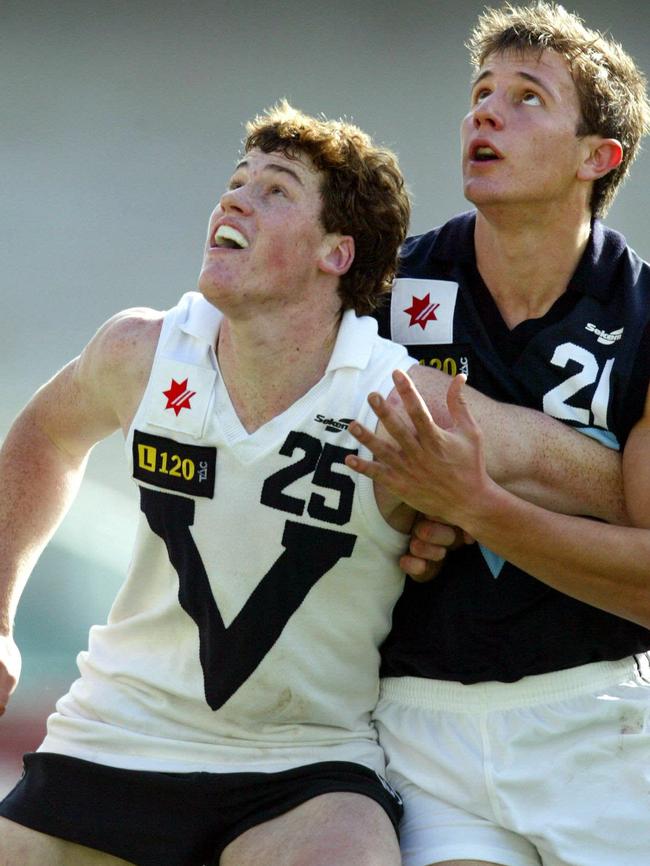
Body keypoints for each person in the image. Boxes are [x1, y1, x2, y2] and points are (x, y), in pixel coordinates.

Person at [0, 97, 629, 865]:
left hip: (300, 767)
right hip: (113, 737)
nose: (235, 197)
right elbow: (42, 438)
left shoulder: (400, 402)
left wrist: (469, 509)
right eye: (238, 180)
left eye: (276, 190)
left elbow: (587, 477)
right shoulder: (143, 350)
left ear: (337, 252)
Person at [347, 3, 650, 866]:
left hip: (601, 720)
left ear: (599, 157)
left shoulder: (646, 319)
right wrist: (412, 506)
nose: (485, 111)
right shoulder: (388, 292)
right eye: (481, 92)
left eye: (527, 98)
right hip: (421, 725)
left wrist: (473, 501)